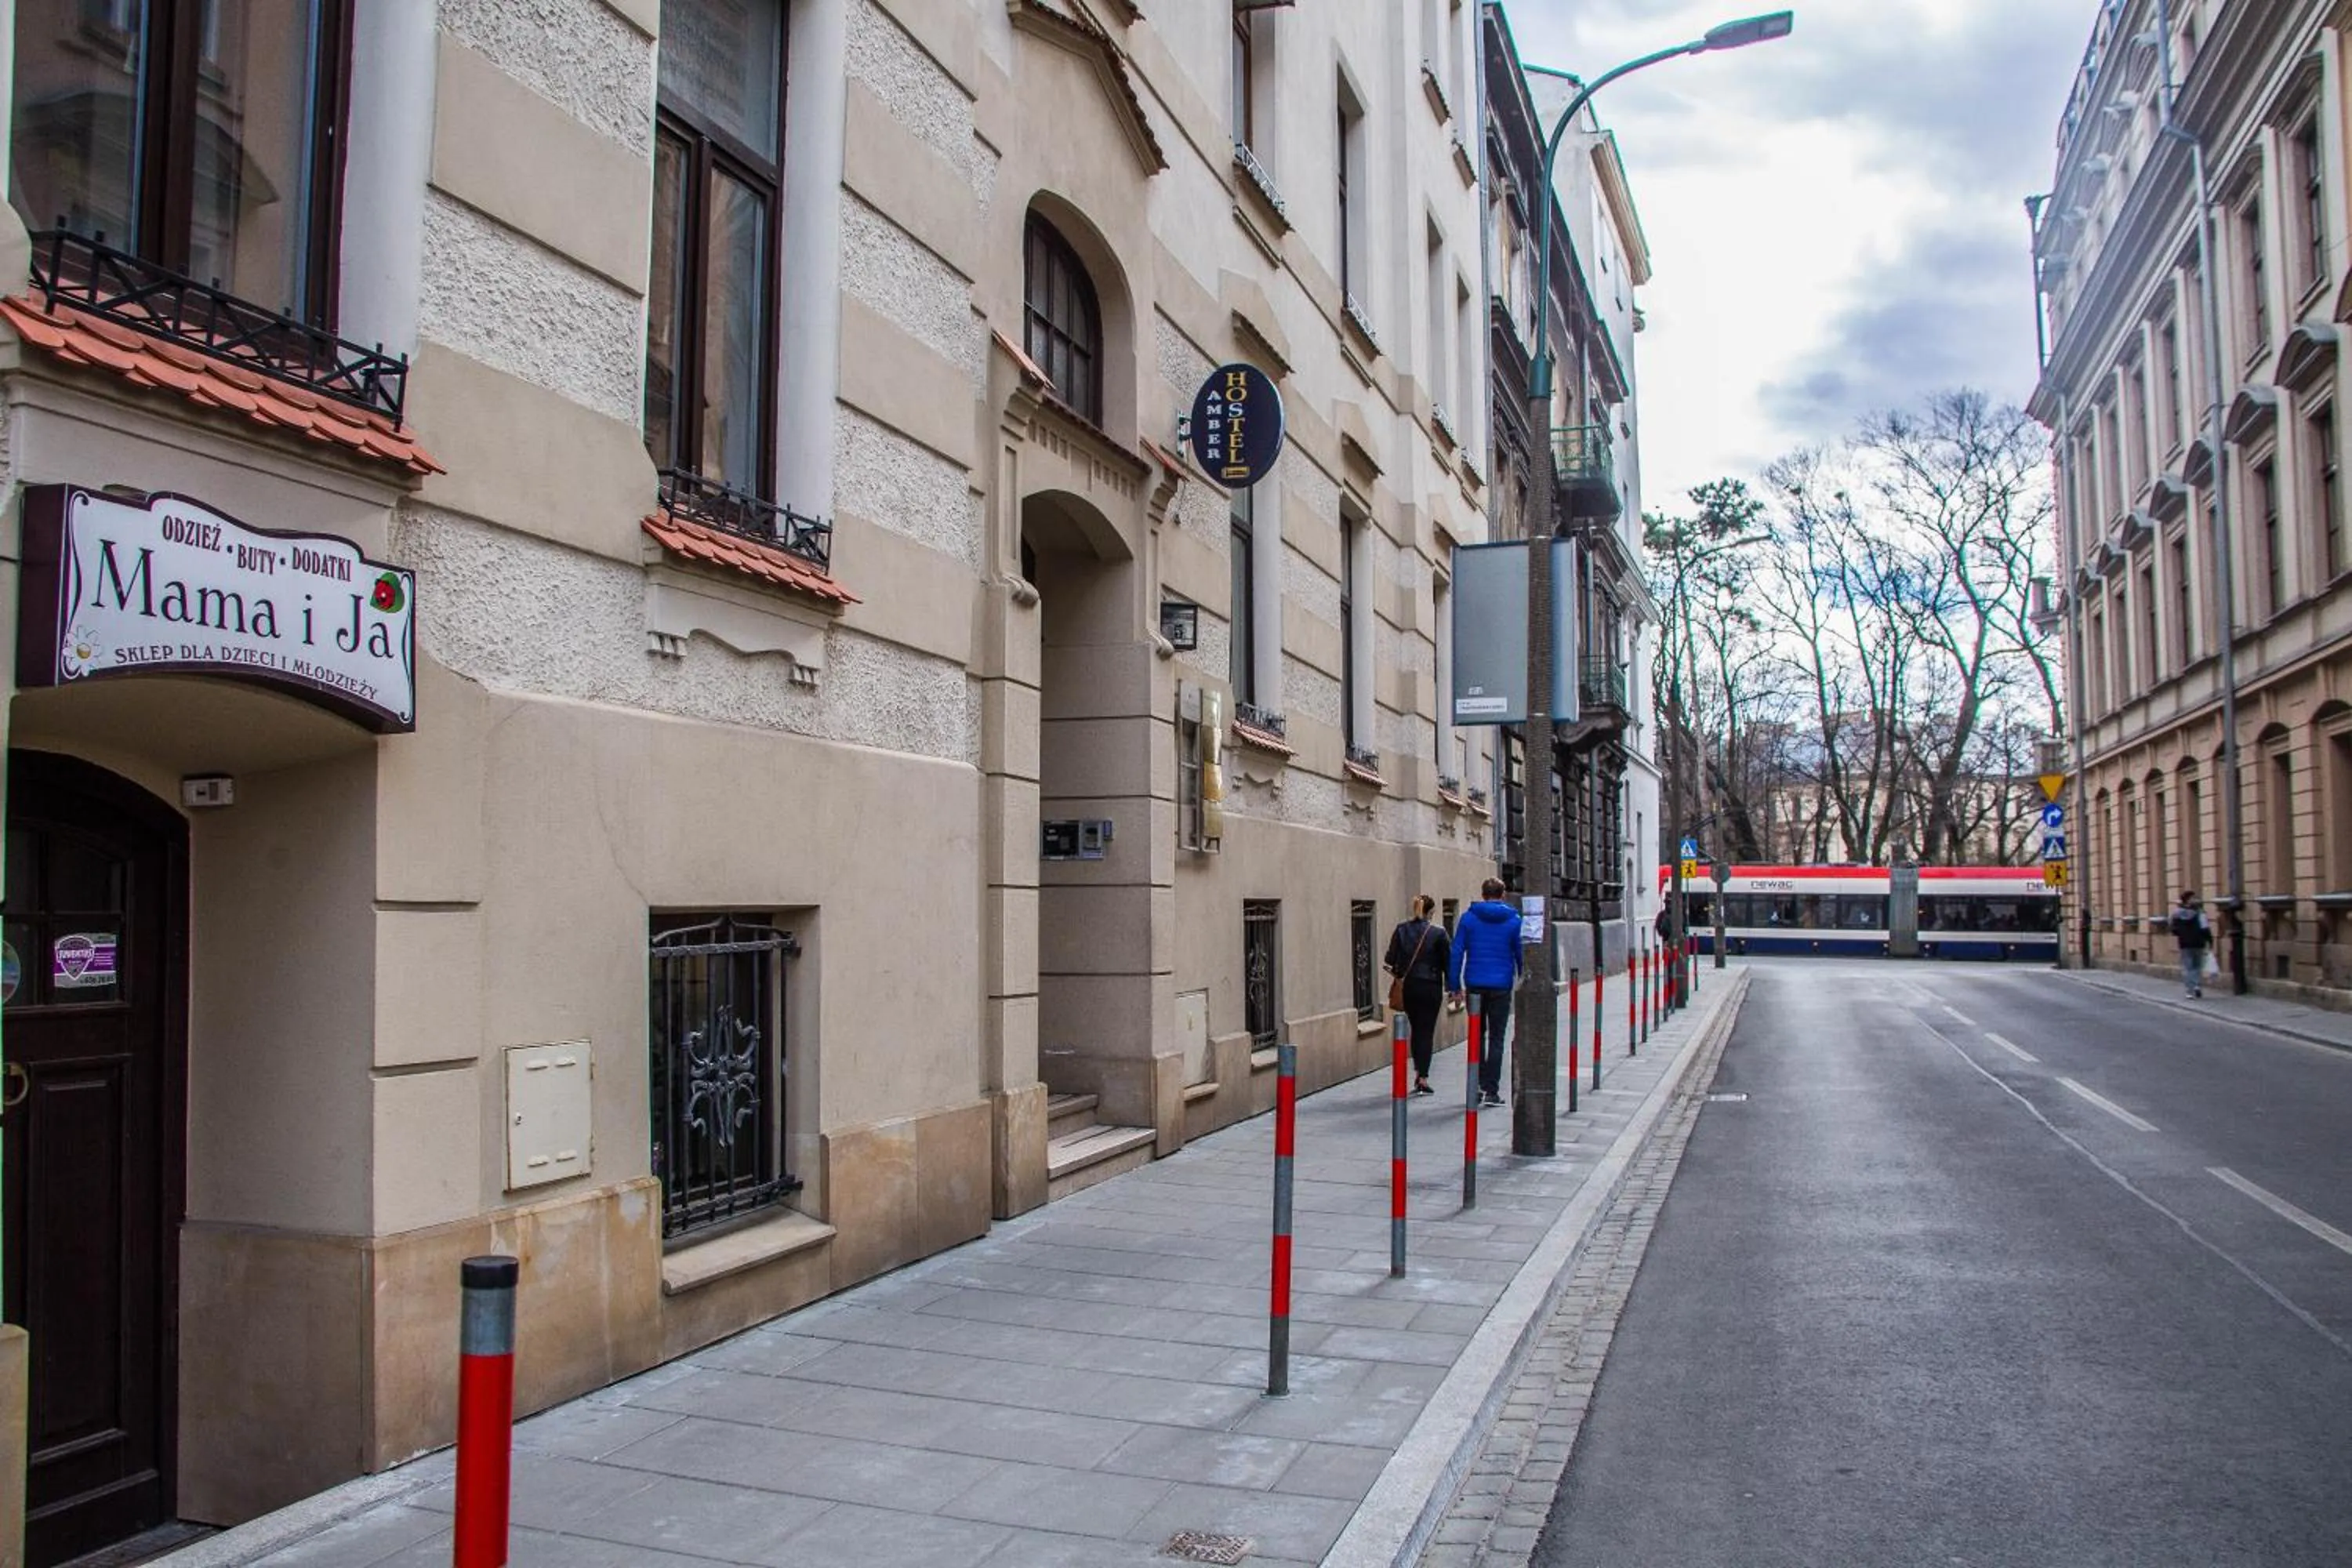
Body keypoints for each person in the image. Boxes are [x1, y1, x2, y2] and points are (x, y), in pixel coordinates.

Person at [1448, 877, 1523, 1108]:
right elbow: (1520, 952)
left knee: (1476, 1035)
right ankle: (1492, 1090)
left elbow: (1456, 952)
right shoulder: (1514, 921)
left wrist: (1454, 986)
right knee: (1497, 1037)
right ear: (1503, 895)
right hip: (1501, 985)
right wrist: (1521, 978)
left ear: (1483, 894)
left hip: (1475, 985)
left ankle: (1477, 1085)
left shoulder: (1469, 919)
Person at [1384, 895, 1451, 1095]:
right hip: (1431, 986)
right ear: (1431, 912)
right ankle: (1423, 1077)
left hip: (1410, 986)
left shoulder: (1402, 929)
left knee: (1415, 1028)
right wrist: (1454, 987)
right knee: (1426, 1030)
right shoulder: (1439, 933)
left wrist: (1400, 971)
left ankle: (1417, 1072)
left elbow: (1390, 959)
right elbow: (1448, 963)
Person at [2168, 889, 2212, 999]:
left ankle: (2189, 991)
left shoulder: (2177, 914)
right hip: (2198, 941)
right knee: (2197, 966)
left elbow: (2173, 929)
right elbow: (2205, 928)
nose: (2195, 899)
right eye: (2193, 898)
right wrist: (2210, 941)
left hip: (2184, 943)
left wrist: (2182, 934)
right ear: (2189, 900)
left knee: (2188, 967)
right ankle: (2197, 985)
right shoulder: (2200, 912)